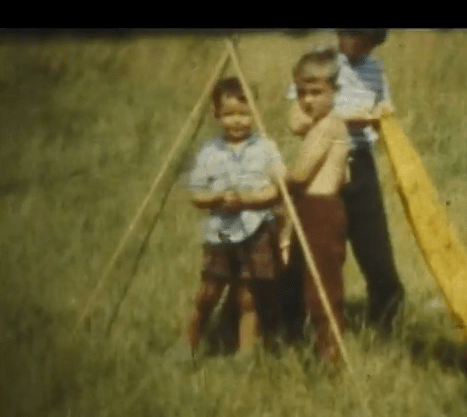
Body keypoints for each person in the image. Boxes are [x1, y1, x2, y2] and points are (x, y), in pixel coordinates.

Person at [285, 29, 405, 339]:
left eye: (372, 43)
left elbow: (385, 111)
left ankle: (385, 329)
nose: (364, 48)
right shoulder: (319, 63)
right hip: (321, 167)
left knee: (376, 253)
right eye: (359, 38)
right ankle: (291, 330)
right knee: (307, 253)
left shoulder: (375, 68)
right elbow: (296, 121)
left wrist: (378, 115)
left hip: (360, 164)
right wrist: (347, 119)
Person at [171, 77, 286, 368]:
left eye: (245, 113)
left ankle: (245, 354)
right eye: (230, 114)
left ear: (255, 113)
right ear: (217, 115)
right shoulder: (210, 151)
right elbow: (197, 195)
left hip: (257, 229)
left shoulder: (266, 148)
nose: (238, 121)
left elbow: (278, 188)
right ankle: (188, 344)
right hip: (221, 233)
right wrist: (217, 196)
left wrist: (249, 199)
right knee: (207, 292)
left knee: (249, 297)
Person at [283, 48, 351, 368]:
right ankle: (300, 341)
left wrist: (273, 176)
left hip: (321, 210)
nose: (308, 101)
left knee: (322, 286)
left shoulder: (329, 126)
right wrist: (299, 101)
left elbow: (300, 173)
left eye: (317, 92)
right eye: (301, 93)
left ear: (335, 92)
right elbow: (295, 123)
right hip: (309, 208)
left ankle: (331, 354)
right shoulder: (319, 121)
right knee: (299, 278)